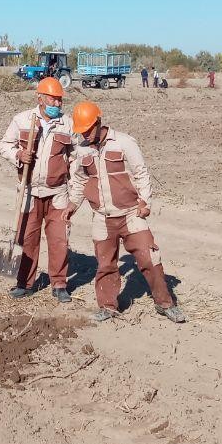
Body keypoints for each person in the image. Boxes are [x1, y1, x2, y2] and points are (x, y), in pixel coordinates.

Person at [68, 101, 185, 324]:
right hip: (102, 217)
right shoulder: (82, 150)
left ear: (98, 122)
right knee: (105, 264)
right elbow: (80, 180)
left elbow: (141, 173)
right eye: (81, 131)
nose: (85, 134)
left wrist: (145, 202)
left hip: (131, 214)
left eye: (88, 129)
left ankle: (165, 304)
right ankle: (108, 307)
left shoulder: (124, 142)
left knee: (150, 258)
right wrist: (72, 205)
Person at [0, 78, 76, 303]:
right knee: (27, 238)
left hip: (57, 192)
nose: (58, 104)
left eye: (60, 100)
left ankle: (59, 284)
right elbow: (4, 145)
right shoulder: (22, 120)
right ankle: (25, 283)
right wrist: (18, 155)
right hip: (29, 190)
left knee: (59, 239)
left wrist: (74, 189)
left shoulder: (67, 124)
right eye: (53, 99)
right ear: (39, 98)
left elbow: (75, 157)